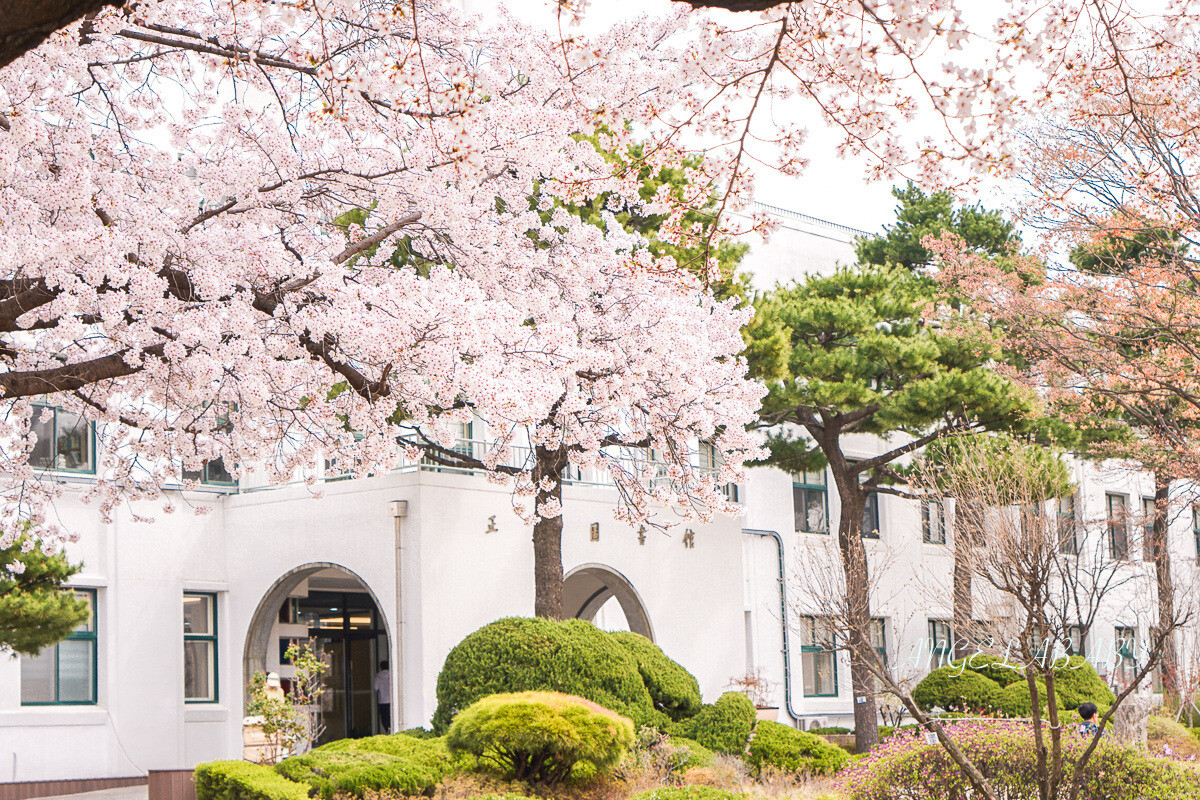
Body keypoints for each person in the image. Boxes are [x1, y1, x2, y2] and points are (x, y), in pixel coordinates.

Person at [374, 661, 391, 733]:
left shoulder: (378, 676)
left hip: (382, 701)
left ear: (380, 667)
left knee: (384, 718)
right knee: (391, 718)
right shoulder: (391, 674)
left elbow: (375, 687)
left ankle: (387, 731)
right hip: (391, 700)